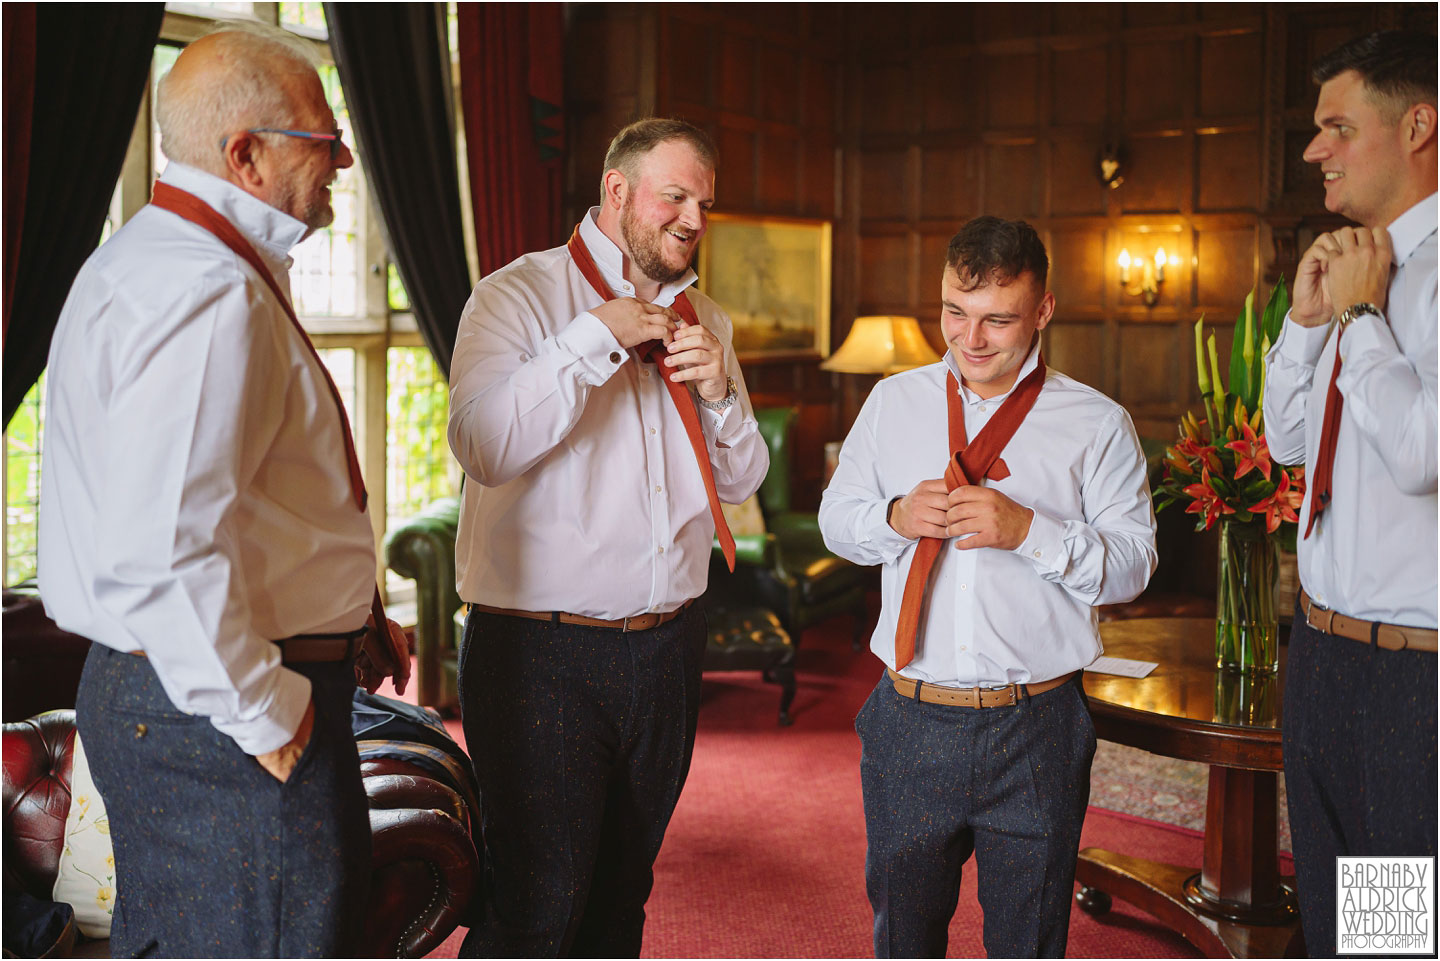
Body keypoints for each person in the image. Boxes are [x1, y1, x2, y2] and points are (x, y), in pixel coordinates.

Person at [37, 22, 408, 958]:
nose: (347, 159)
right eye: (324, 140)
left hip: (182, 687)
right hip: (214, 704)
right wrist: (263, 711)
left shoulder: (151, 260)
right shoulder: (205, 290)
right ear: (245, 153)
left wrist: (348, 619)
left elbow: (235, 507)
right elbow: (162, 550)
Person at [446, 117, 769, 957]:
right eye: (676, 196)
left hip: (666, 650)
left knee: (622, 899)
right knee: (536, 906)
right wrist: (595, 338)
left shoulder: (708, 320)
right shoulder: (514, 296)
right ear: (618, 191)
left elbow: (736, 483)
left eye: (705, 202)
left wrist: (723, 397)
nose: (694, 218)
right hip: (540, 655)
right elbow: (483, 446)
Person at [820, 216, 1157, 958]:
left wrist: (1030, 532)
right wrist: (895, 516)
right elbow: (836, 523)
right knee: (903, 938)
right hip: (910, 718)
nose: (970, 340)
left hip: (1035, 725)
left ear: (1043, 311)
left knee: (1028, 942)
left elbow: (1133, 566)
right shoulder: (893, 402)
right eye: (954, 313)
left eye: (998, 320)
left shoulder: (1096, 423)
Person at [1263, 30, 1436, 958]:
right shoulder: (1351, 262)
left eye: (1336, 126)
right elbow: (1290, 443)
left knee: (1393, 934)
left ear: (1418, 125)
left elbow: (1420, 453)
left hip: (1412, 675)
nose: (1311, 151)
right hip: (1324, 652)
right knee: (1332, 921)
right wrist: (1305, 322)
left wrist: (1366, 315)